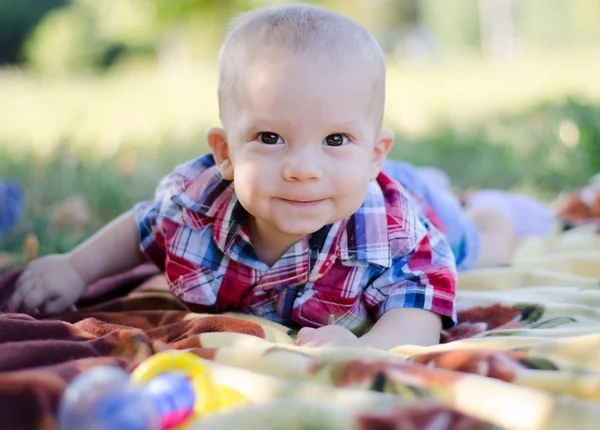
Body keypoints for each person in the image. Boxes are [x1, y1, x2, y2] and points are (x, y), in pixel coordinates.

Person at [8, 4, 459, 349]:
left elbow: (420, 307)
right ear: (225, 153)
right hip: (346, 185)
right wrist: (74, 268)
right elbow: (144, 226)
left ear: (374, 154)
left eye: (335, 139)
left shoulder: (396, 235)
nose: (302, 169)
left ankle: (481, 212)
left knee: (470, 240)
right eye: (270, 137)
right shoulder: (197, 206)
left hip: (414, 204)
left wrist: (368, 349)